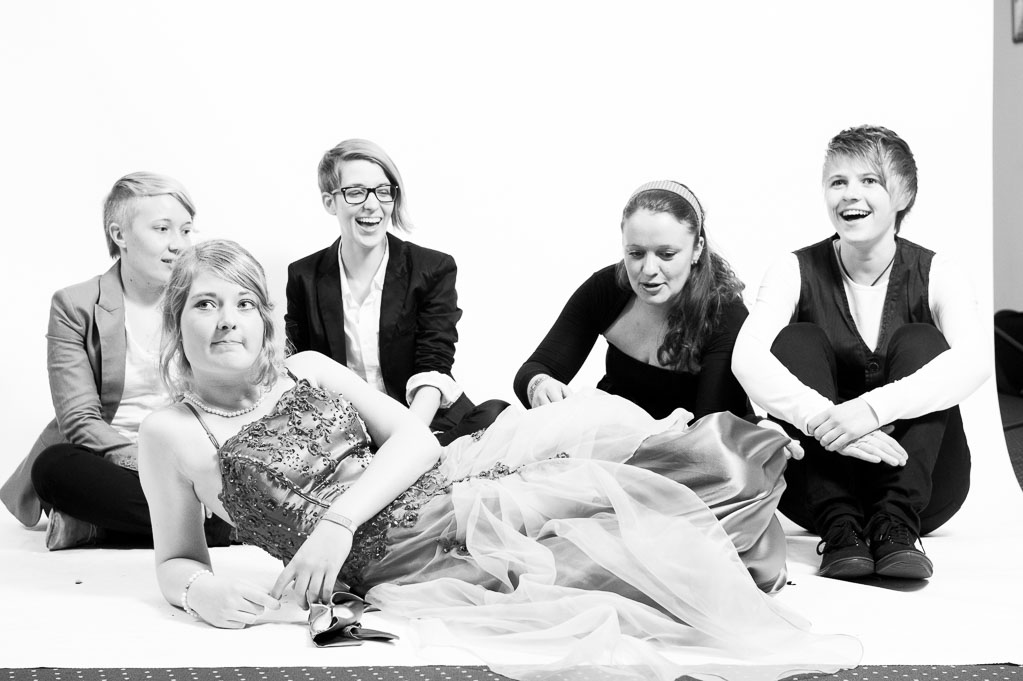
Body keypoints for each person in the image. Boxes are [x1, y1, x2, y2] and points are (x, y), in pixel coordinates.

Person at [139, 239, 860, 681]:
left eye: (243, 303)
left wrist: (335, 522)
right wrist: (198, 593)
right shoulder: (170, 433)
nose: (227, 320)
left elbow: (416, 439)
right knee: (622, 566)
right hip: (406, 563)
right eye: (205, 304)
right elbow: (174, 559)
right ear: (177, 321)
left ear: (265, 317)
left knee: (683, 465)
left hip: (452, 481)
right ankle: (734, 543)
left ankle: (753, 491)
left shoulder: (308, 368)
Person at [732, 125, 989, 580]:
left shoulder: (939, 272)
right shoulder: (793, 269)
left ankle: (896, 528)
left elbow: (976, 360)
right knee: (796, 340)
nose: (850, 194)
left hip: (927, 492)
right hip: (816, 496)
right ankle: (842, 529)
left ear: (903, 195)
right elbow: (746, 358)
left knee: (923, 341)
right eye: (838, 182)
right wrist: (828, 421)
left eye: (869, 180)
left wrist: (870, 410)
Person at [0, 172, 229, 550]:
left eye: (186, 230)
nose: (178, 244)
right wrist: (150, 463)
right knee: (53, 467)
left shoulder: (207, 299)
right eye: (162, 229)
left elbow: (230, 398)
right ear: (119, 235)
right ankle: (218, 527)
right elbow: (79, 420)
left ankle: (96, 527)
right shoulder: (75, 305)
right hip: (111, 461)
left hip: (192, 456)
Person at [285, 139, 505, 445]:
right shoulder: (303, 276)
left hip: (425, 421)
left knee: (496, 415)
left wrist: (405, 443)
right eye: (356, 192)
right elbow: (301, 370)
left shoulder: (432, 268)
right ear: (329, 202)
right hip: (348, 435)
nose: (372, 204)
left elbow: (434, 366)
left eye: (383, 191)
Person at [513, 180, 749, 422]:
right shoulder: (607, 288)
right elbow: (535, 368)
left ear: (697, 249)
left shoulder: (724, 314)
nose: (649, 269)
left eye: (666, 254)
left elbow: (711, 429)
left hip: (690, 440)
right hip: (612, 433)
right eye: (636, 253)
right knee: (494, 412)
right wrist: (540, 385)